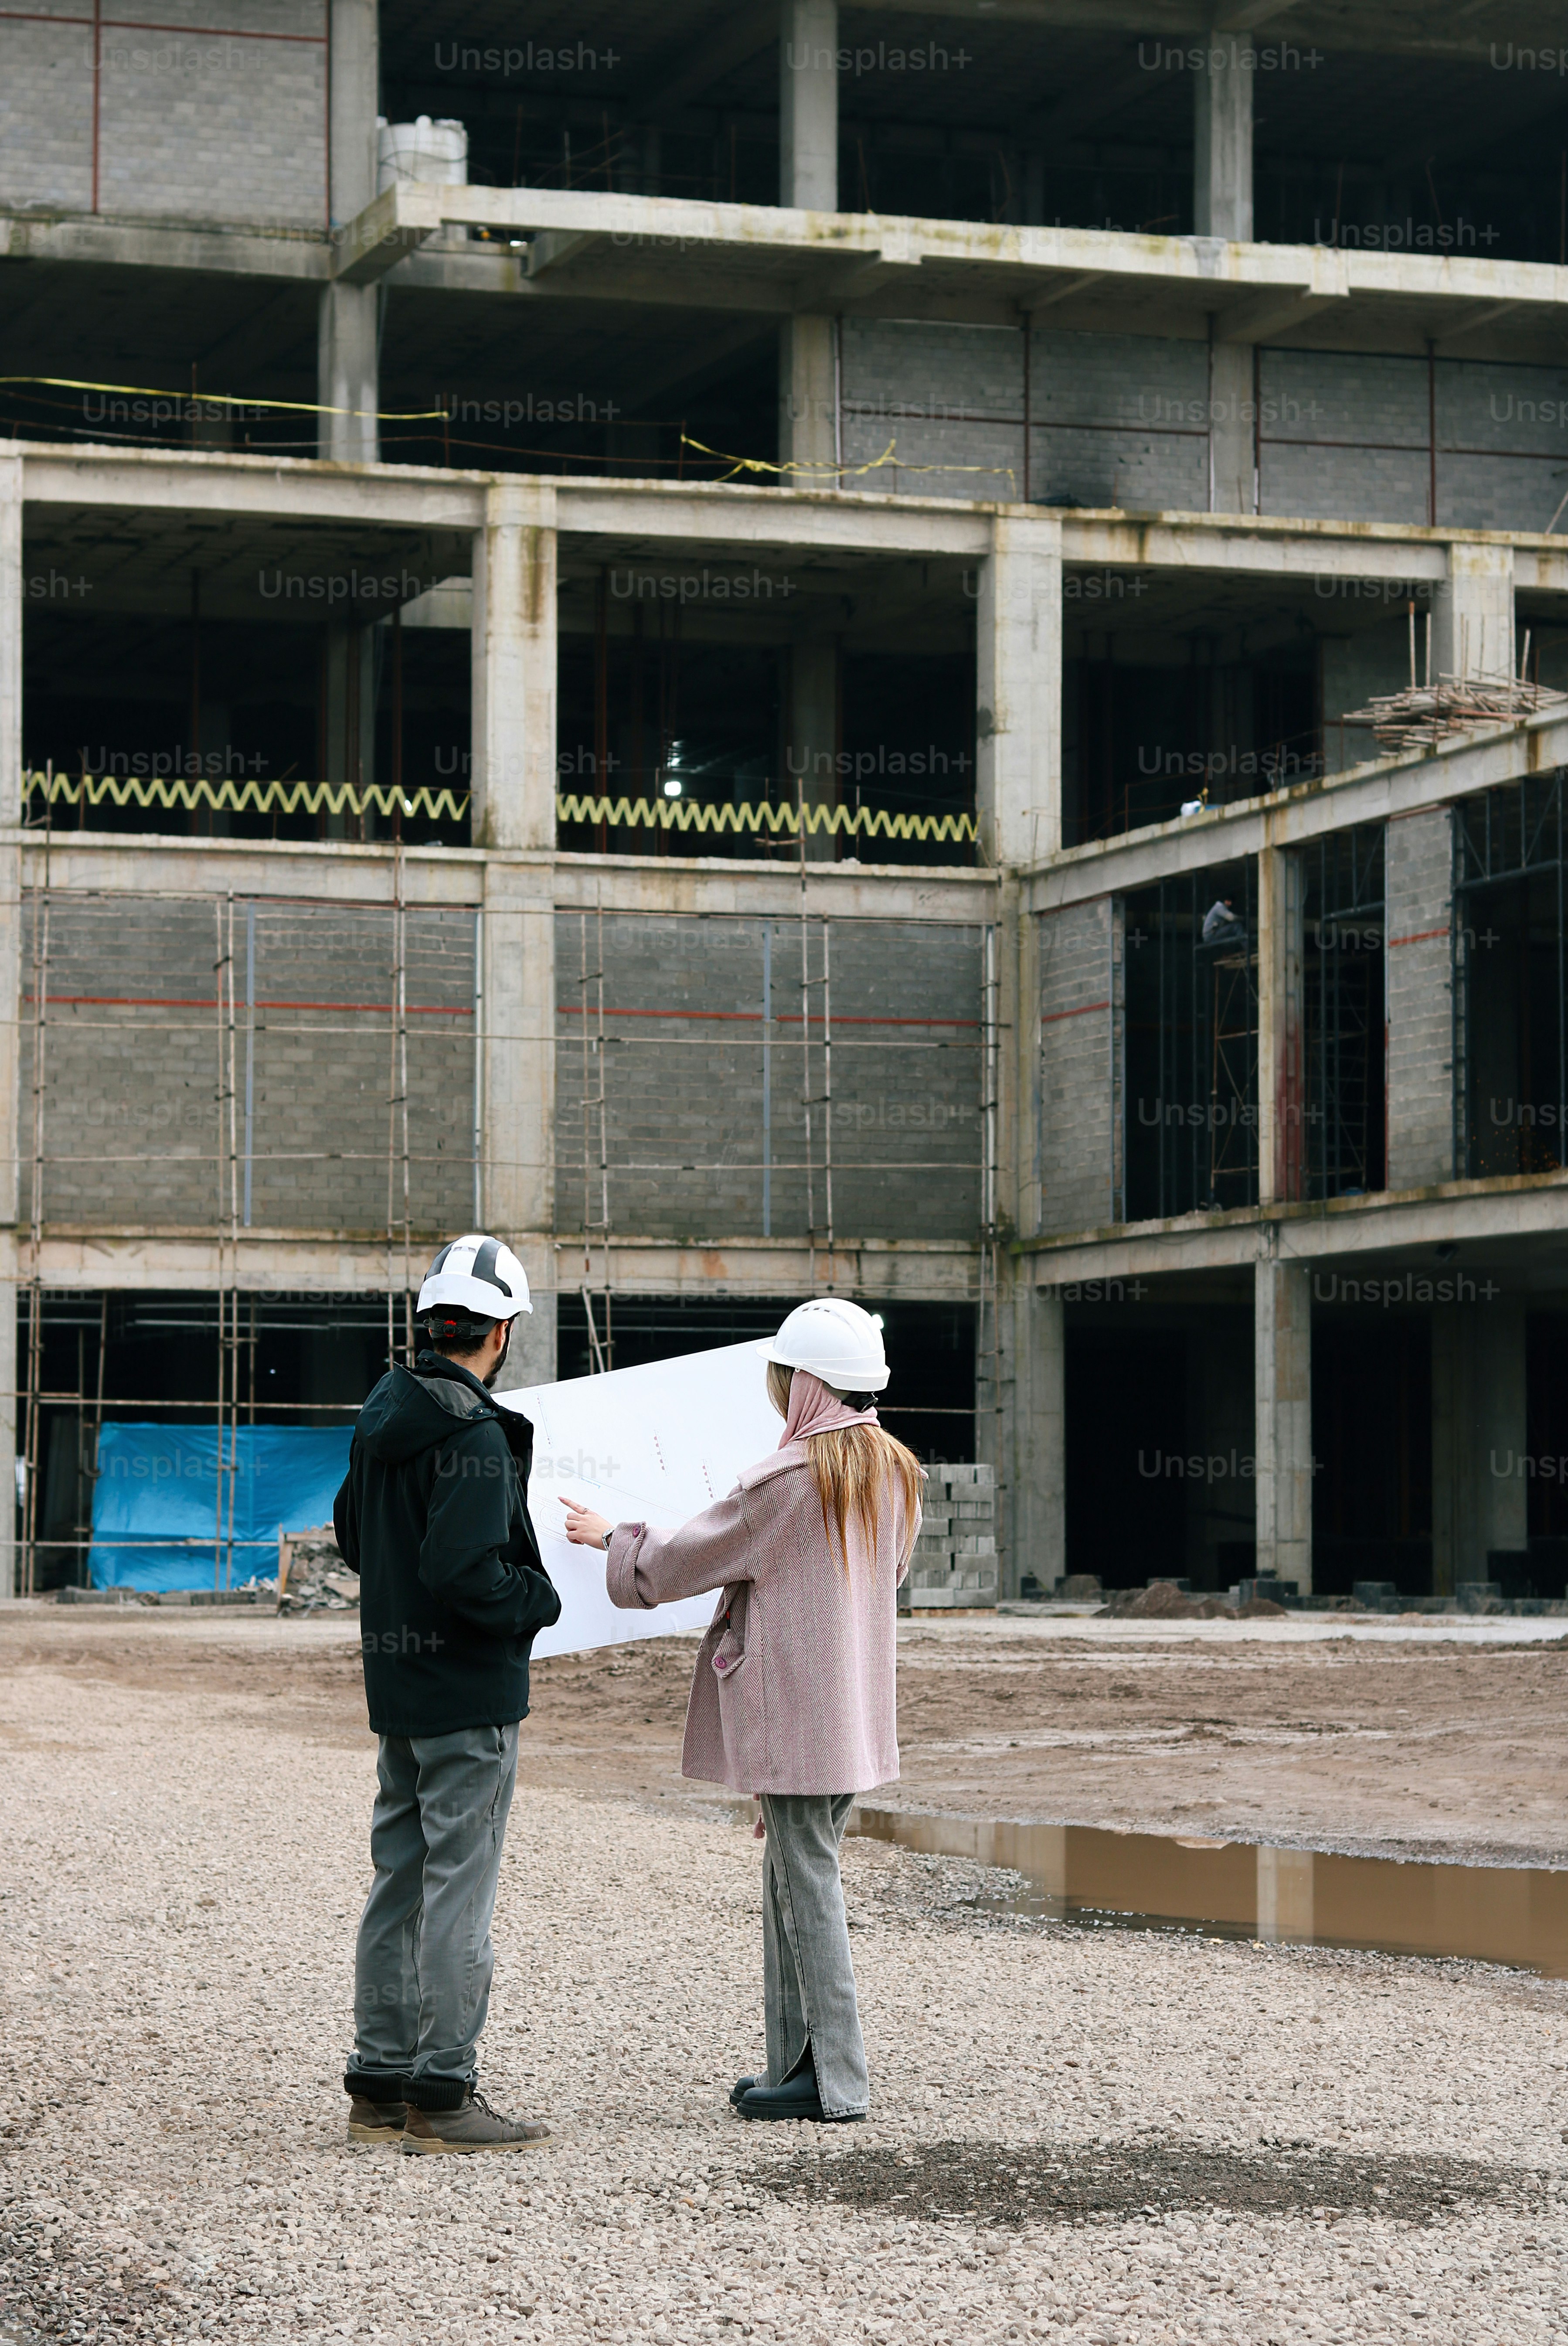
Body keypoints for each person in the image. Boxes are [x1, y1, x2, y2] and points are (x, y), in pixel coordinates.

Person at [560, 1297, 922, 2124]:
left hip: (798, 1712)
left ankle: (836, 2079)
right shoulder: (894, 1468)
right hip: (852, 1714)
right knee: (795, 1877)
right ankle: (795, 2066)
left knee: (807, 1884)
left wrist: (613, 1535)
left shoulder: (791, 1480)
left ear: (805, 1382)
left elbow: (686, 1559)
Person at [333, 1233, 561, 2154]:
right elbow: (468, 1570)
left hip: (400, 1687)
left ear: (432, 1324)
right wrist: (538, 1598)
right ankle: (444, 2094)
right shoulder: (472, 1431)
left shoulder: (381, 1416)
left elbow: (354, 1538)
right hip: (468, 1695)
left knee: (401, 1880)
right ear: (499, 1332)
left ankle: (377, 2088)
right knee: (459, 1887)